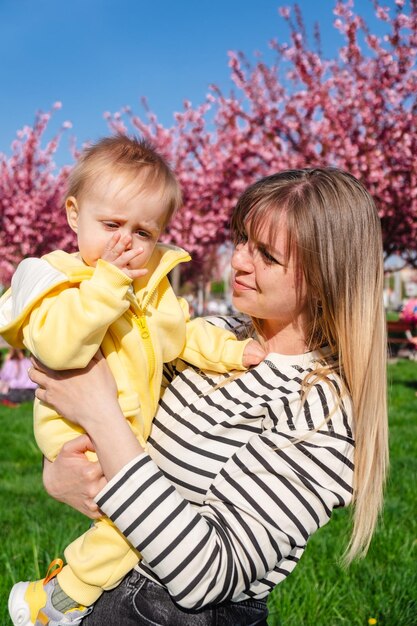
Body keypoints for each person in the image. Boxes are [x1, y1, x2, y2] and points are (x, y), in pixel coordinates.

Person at [16, 168, 388, 625]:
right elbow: (102, 417)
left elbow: (207, 576)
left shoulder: (322, 414)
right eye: (243, 239)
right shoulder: (210, 338)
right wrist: (56, 472)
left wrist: (99, 412)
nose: (238, 261)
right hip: (104, 594)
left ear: (326, 278)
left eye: (267, 255)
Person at [1, 135, 265, 625]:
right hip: (74, 427)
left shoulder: (151, 288)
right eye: (111, 224)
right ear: (74, 215)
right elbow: (60, 347)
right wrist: (107, 287)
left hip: (126, 425)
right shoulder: (57, 281)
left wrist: (232, 351)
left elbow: (180, 336)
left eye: (143, 232)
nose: (125, 243)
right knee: (129, 528)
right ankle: (54, 602)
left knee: (134, 524)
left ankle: (61, 595)